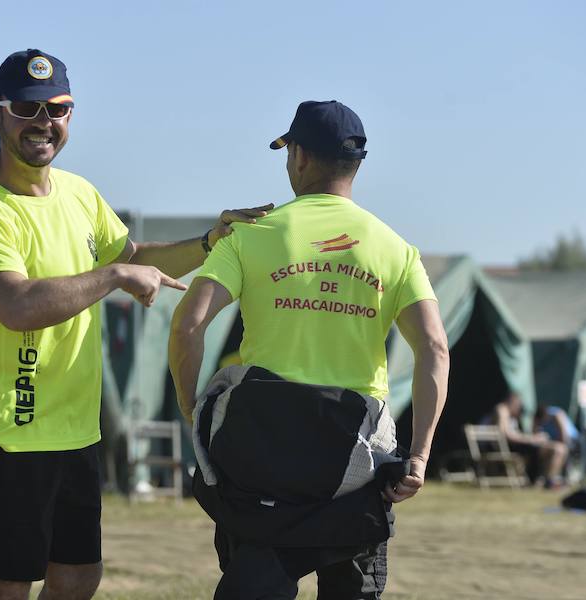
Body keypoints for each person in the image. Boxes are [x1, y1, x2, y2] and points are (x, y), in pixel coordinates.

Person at [0, 48, 271, 600]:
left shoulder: (79, 194)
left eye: (59, 108)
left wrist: (213, 240)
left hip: (73, 429)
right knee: (6, 586)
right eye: (27, 109)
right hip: (5, 432)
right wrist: (115, 275)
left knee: (77, 577)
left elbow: (138, 256)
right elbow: (17, 304)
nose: (44, 122)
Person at [168, 100, 450, 599]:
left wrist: (193, 411)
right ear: (356, 165)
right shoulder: (395, 249)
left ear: (298, 156)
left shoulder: (249, 234)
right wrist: (420, 456)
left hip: (263, 452)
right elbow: (433, 348)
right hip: (354, 458)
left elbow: (188, 325)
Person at [489, 393, 568, 488]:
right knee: (557, 450)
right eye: (518, 404)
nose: (519, 407)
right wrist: (531, 439)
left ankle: (548, 479)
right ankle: (546, 480)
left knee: (561, 449)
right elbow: (506, 436)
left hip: (521, 445)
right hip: (511, 447)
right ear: (512, 401)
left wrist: (533, 438)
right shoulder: (502, 409)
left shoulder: (510, 414)